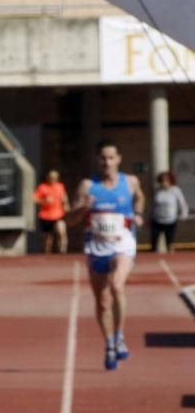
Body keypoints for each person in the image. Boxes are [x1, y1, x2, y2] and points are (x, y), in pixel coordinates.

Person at [72, 139, 145, 370]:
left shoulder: (130, 182)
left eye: (111, 157)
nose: (107, 162)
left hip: (123, 243)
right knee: (103, 302)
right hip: (96, 247)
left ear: (118, 159)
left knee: (116, 286)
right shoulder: (87, 186)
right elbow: (70, 219)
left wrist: (139, 213)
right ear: (98, 160)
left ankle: (121, 335)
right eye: (103, 158)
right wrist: (83, 208)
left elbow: (140, 198)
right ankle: (110, 343)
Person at [34, 168, 70, 254]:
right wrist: (44, 201)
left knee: (61, 231)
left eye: (55, 178)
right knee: (47, 239)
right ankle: (47, 255)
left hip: (58, 214)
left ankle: (62, 251)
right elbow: (35, 199)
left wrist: (66, 205)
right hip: (45, 216)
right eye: (51, 177)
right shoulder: (42, 187)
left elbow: (64, 197)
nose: (53, 179)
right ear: (48, 178)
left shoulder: (60, 186)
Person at [152, 170, 189, 253]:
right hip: (157, 220)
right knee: (154, 240)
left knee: (170, 241)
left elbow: (182, 203)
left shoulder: (176, 190)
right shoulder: (157, 191)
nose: (164, 183)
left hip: (170, 220)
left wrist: (184, 214)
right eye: (162, 181)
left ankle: (172, 259)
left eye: (166, 181)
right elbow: (153, 205)